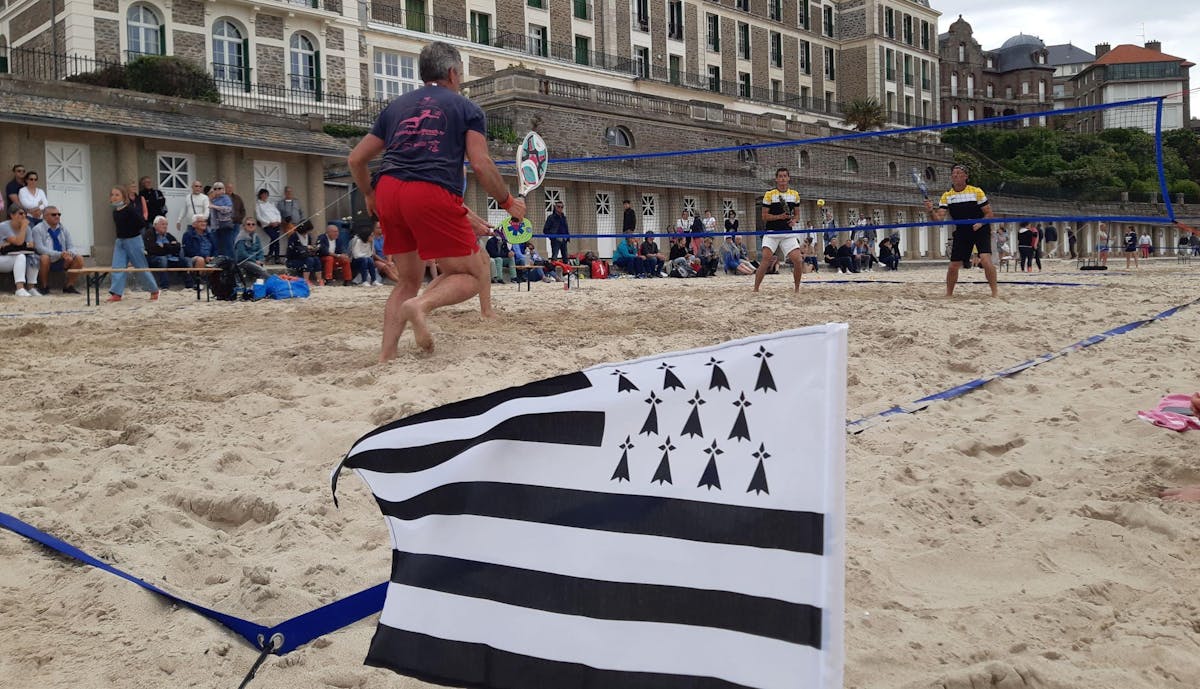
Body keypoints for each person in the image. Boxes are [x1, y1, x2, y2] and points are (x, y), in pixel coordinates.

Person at [348, 41, 525, 357]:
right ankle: (420, 306)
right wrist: (509, 202)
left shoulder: (396, 106)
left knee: (407, 281)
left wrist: (369, 194)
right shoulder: (466, 108)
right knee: (473, 272)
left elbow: (356, 160)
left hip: (388, 189)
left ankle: (386, 357)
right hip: (429, 190)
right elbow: (481, 164)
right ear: (454, 73)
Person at [924, 164, 998, 297]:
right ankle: (948, 294)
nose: (955, 175)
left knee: (986, 261)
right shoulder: (947, 195)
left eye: (959, 173)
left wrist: (979, 223)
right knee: (953, 266)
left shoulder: (976, 191)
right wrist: (930, 211)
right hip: (962, 231)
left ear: (966, 176)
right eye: (954, 173)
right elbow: (938, 220)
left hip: (980, 229)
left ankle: (995, 292)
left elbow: (989, 214)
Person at [754, 167, 804, 292]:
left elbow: (797, 215)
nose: (782, 178)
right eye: (780, 176)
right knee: (765, 260)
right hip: (771, 233)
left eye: (784, 176)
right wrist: (780, 217)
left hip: (787, 233)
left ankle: (797, 289)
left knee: (798, 260)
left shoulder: (794, 195)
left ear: (788, 178)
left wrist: (794, 220)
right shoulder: (769, 194)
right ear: (776, 179)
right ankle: (756, 289)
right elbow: (764, 216)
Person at [106, 186, 160, 302]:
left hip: (133, 240)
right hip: (120, 241)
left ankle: (153, 290)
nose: (114, 197)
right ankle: (116, 293)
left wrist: (131, 231)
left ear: (123, 197)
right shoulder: (115, 212)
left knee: (141, 266)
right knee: (117, 266)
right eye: (112, 195)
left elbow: (141, 223)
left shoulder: (130, 209)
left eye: (117, 195)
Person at [31, 206, 84, 293]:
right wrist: (59, 254)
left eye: (59, 214)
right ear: (45, 217)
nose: (57, 216)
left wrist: (69, 254)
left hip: (62, 259)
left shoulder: (63, 229)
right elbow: (39, 248)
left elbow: (71, 246)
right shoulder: (37, 229)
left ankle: (69, 286)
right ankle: (44, 286)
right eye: (53, 214)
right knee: (44, 257)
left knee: (79, 258)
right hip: (47, 259)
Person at [0, 205, 42, 296]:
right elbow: (19, 242)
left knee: (34, 257)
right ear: (12, 215)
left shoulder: (27, 228)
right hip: (2, 257)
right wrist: (23, 229)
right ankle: (20, 289)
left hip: (12, 256)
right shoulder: (4, 226)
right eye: (21, 213)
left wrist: (15, 243)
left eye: (25, 214)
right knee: (21, 256)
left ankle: (31, 288)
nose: (24, 216)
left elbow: (31, 245)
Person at [143, 215, 188, 289]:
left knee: (183, 260)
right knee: (163, 259)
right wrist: (169, 248)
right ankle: (165, 286)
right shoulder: (149, 233)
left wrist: (165, 246)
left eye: (166, 224)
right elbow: (152, 249)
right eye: (163, 224)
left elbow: (178, 246)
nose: (165, 226)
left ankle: (189, 285)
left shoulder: (168, 235)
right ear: (155, 225)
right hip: (153, 258)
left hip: (169, 257)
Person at [286, 221, 322, 285]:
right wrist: (305, 248)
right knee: (309, 260)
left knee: (316, 259)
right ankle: (306, 280)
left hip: (305, 256)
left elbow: (309, 246)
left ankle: (319, 279)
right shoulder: (293, 236)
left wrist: (313, 249)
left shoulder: (308, 236)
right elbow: (292, 250)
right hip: (294, 259)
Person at [253, 189, 284, 264]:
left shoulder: (270, 203)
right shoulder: (258, 205)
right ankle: (270, 254)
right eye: (263, 194)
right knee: (274, 238)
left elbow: (277, 213)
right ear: (260, 195)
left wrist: (278, 221)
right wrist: (269, 223)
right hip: (267, 225)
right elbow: (259, 217)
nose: (265, 196)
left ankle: (276, 257)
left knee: (277, 240)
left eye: (266, 194)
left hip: (276, 224)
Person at [234, 217, 269, 282]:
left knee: (262, 272)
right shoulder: (241, 237)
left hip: (255, 261)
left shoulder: (256, 236)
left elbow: (260, 250)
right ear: (244, 226)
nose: (251, 226)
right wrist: (255, 261)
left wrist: (260, 259)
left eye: (253, 224)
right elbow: (242, 254)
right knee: (263, 271)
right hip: (244, 261)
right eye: (248, 224)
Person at [208, 181, 235, 258]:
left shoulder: (226, 198)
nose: (217, 190)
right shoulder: (212, 199)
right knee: (217, 248)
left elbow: (228, 209)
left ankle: (231, 265)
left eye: (219, 188)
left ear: (223, 189)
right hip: (215, 227)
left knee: (228, 246)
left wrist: (215, 207)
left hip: (225, 226)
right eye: (215, 188)